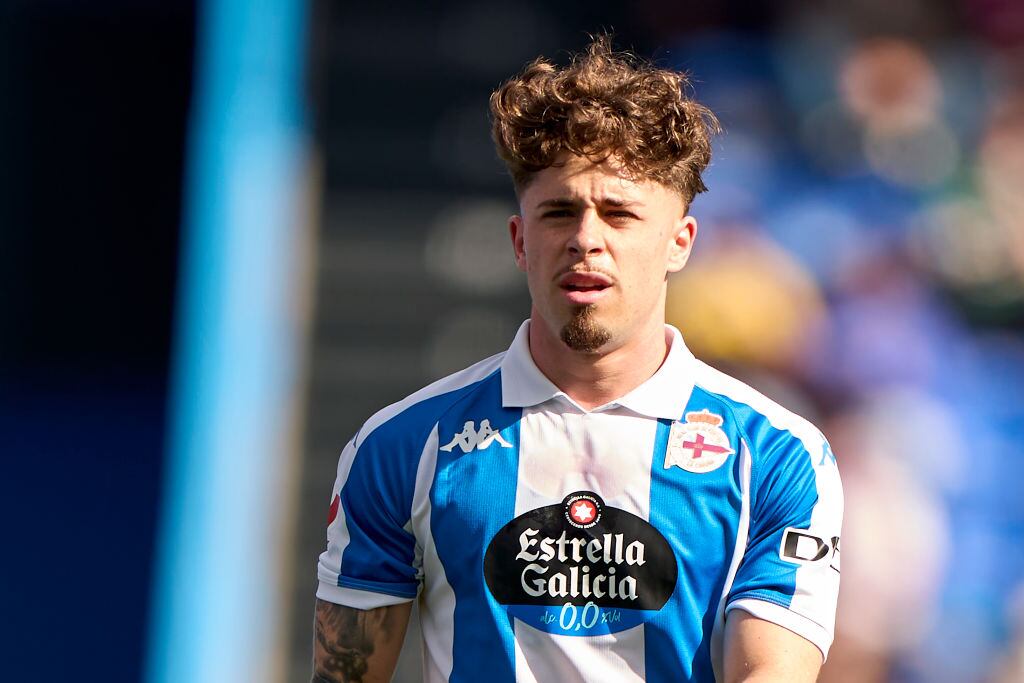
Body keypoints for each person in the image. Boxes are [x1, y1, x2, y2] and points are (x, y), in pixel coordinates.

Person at [312, 37, 842, 683]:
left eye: (619, 214)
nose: (587, 238)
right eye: (560, 211)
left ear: (679, 242)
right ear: (519, 239)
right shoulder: (402, 443)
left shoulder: (778, 452)